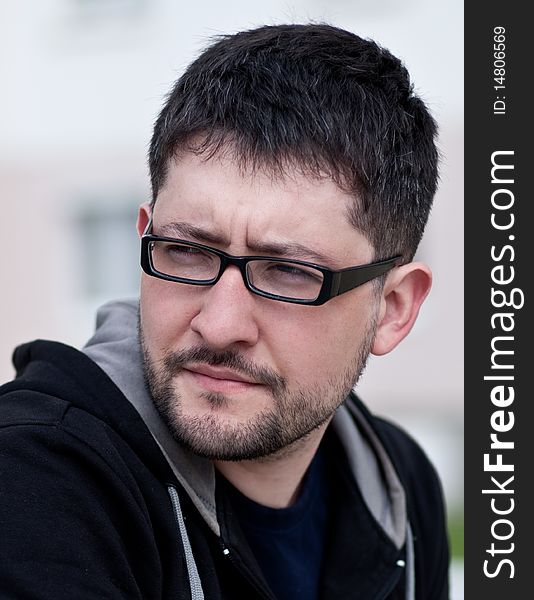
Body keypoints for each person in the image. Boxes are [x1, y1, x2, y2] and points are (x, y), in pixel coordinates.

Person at [0, 23, 449, 600]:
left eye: (289, 271)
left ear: (392, 308)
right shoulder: (33, 479)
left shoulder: (400, 489)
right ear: (146, 237)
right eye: (186, 251)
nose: (219, 323)